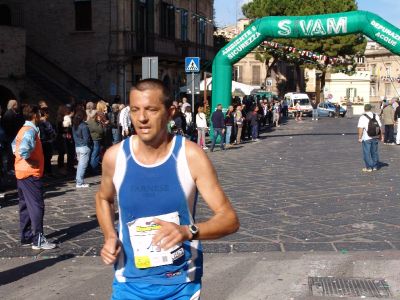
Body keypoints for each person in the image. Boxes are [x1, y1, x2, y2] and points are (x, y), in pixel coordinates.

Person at [96, 79, 239, 299]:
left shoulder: (190, 156)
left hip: (180, 285)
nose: (141, 118)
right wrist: (109, 236)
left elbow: (229, 219)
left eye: (151, 110)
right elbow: (103, 198)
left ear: (170, 111)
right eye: (135, 110)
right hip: (129, 283)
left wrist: (186, 231)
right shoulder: (115, 157)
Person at [12, 105, 56, 250]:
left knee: (25, 205)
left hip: (21, 172)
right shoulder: (30, 131)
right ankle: (38, 239)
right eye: (39, 113)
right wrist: (32, 161)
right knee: (37, 206)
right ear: (35, 115)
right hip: (30, 173)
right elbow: (23, 151)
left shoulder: (23, 130)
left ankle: (26, 236)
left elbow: (14, 147)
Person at [357, 104, 383, 172]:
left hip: (366, 137)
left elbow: (360, 128)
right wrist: (381, 136)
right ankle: (375, 166)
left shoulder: (362, 117)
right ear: (371, 109)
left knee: (367, 152)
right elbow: (380, 127)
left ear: (364, 109)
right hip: (375, 136)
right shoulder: (376, 115)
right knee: (374, 152)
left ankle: (369, 167)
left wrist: (359, 137)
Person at [72, 110, 92, 188]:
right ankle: (79, 182)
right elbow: (86, 139)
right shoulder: (84, 126)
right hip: (84, 147)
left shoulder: (75, 125)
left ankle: (79, 180)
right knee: (82, 166)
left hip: (77, 147)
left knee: (80, 165)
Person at [38, 107, 56, 176]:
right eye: (48, 113)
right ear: (45, 114)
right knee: (47, 158)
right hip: (46, 142)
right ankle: (47, 172)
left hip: (42, 142)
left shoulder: (38, 122)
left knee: (45, 158)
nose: (49, 115)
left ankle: (45, 172)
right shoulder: (45, 122)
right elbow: (51, 131)